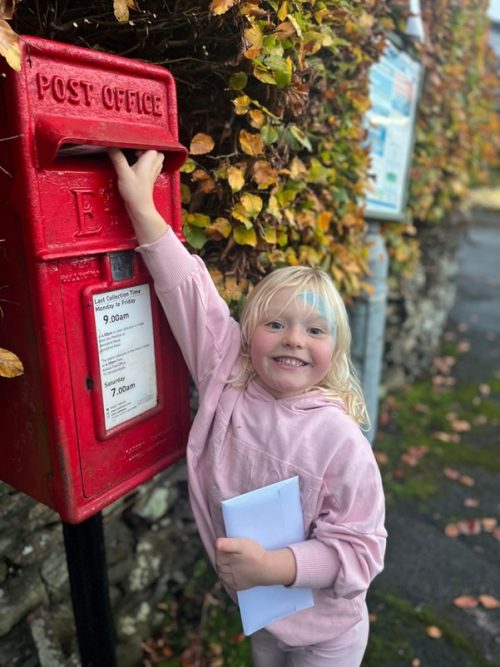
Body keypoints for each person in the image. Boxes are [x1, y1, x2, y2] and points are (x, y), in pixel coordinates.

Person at [108, 149, 387, 667]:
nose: (294, 340)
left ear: (336, 350)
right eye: (275, 323)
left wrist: (274, 567)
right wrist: (140, 206)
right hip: (259, 611)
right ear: (247, 334)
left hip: (326, 634)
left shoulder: (340, 442)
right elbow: (188, 292)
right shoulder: (229, 375)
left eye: (315, 330)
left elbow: (362, 551)